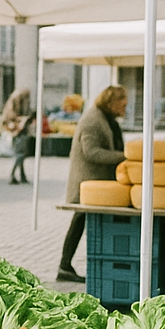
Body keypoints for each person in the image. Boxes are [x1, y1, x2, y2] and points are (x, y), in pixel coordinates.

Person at [58, 85, 128, 283]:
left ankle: (66, 266)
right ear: (110, 102)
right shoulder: (92, 120)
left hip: (97, 184)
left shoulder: (107, 118)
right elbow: (91, 152)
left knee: (81, 222)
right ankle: (64, 266)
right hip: (87, 182)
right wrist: (123, 156)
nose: (124, 109)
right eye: (121, 105)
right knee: (79, 220)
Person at [0, 88, 36, 184]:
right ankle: (12, 175)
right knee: (19, 155)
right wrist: (22, 121)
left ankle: (22, 175)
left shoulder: (13, 107)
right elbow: (9, 121)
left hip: (20, 133)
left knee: (21, 155)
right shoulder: (13, 109)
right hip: (17, 134)